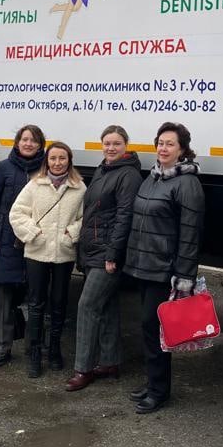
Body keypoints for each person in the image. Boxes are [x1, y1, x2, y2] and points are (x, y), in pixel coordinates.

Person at [123, 122, 205, 414]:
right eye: (160, 143)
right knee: (148, 328)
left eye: (170, 144)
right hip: (143, 265)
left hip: (164, 270)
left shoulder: (187, 184)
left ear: (182, 149)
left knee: (154, 326)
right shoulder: (153, 177)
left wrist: (184, 276)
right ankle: (152, 383)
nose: (163, 148)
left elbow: (190, 234)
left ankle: (159, 391)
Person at [65, 125, 142, 392]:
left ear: (125, 145)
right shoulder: (103, 169)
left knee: (87, 306)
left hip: (107, 253)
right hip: (94, 249)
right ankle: (109, 362)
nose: (111, 148)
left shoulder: (129, 175)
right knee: (106, 305)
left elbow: (125, 217)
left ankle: (83, 369)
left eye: (116, 143)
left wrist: (113, 254)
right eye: (107, 143)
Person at [9, 141, 85, 378]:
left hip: (63, 253)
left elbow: (85, 218)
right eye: (53, 158)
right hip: (37, 252)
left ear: (69, 161)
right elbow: (16, 213)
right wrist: (33, 233)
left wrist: (71, 234)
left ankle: (54, 350)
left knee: (59, 303)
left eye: (62, 158)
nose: (57, 163)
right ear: (47, 161)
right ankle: (34, 353)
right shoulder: (35, 185)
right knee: (36, 303)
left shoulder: (79, 188)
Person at [0, 124, 45, 367]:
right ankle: (1, 347)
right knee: (3, 296)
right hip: (5, 239)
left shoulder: (46, 170)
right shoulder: (4, 169)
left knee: (35, 296)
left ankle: (33, 347)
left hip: (35, 240)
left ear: (40, 145)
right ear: (17, 142)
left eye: (33, 140)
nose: (28, 144)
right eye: (24, 139)